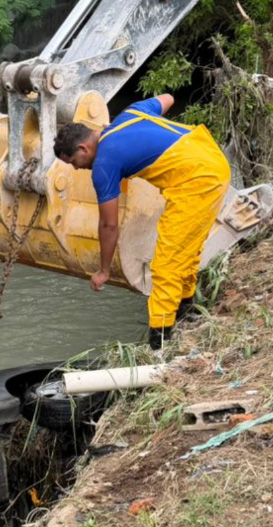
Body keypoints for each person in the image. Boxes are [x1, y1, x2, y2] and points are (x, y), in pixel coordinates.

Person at [53, 93, 231, 350]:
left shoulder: (104, 164)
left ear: (83, 149)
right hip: (212, 158)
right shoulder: (132, 113)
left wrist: (104, 271)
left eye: (73, 163)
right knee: (185, 249)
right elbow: (169, 98)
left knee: (166, 264)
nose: (76, 169)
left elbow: (109, 225)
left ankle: (159, 343)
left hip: (198, 181)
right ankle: (187, 311)